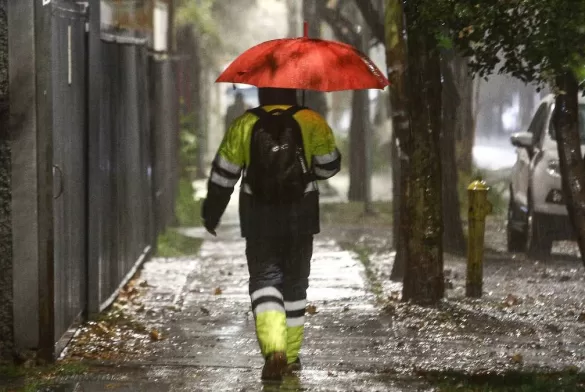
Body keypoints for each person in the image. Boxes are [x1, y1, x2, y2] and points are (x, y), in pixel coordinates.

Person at [201, 87, 341, 380]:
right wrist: (307, 169)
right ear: (293, 89)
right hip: (301, 215)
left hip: (259, 216)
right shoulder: (310, 120)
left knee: (264, 280)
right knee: (295, 284)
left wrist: (212, 212)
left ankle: (273, 349)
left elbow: (224, 173)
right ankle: (289, 356)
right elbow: (329, 165)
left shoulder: (245, 123)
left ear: (262, 90)